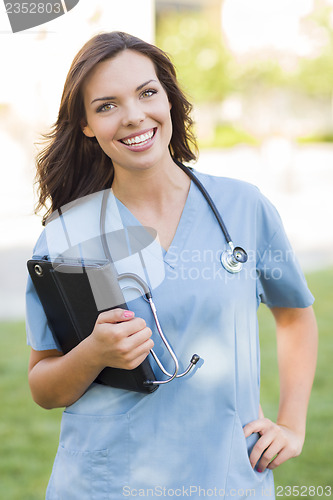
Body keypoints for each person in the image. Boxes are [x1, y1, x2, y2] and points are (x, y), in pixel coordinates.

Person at [26, 31, 318, 499]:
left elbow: (295, 315)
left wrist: (291, 424)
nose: (134, 116)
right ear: (85, 124)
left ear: (168, 97)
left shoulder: (243, 207)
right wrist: (94, 354)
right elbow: (44, 386)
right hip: (106, 484)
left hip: (225, 477)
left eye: (147, 93)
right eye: (106, 106)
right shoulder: (65, 236)